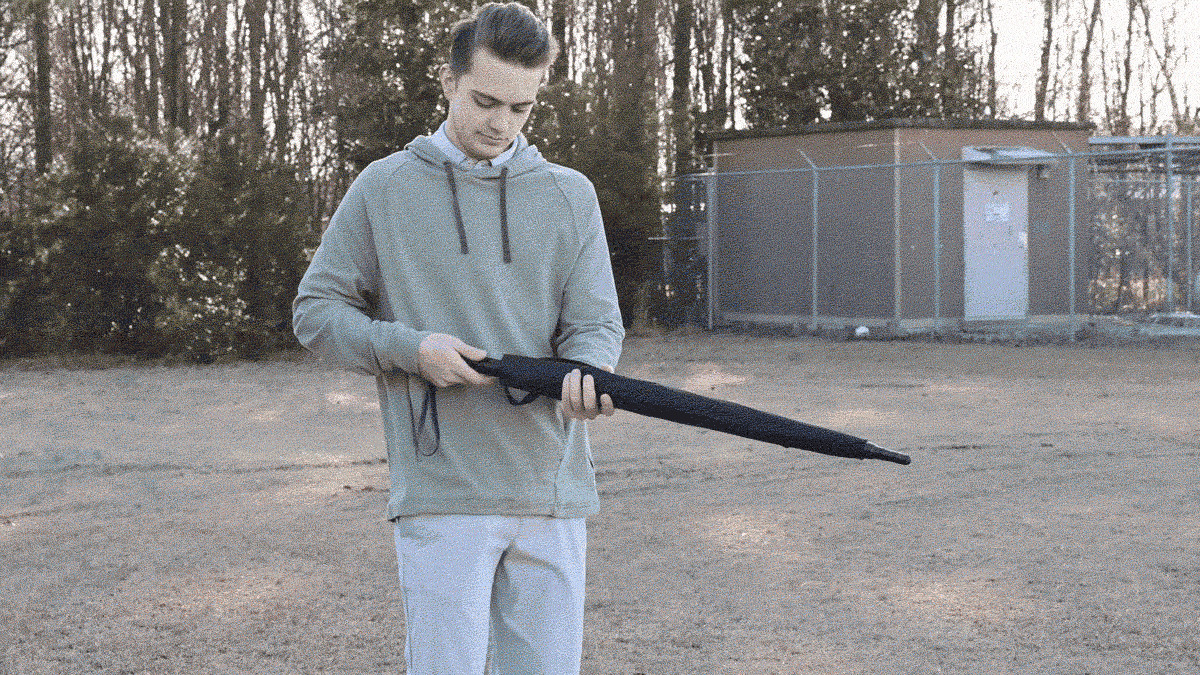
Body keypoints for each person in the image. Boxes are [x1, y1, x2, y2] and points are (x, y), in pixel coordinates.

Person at [291, 3, 624, 674]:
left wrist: (589, 372)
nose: (500, 122)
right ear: (447, 81)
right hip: (444, 490)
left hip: (551, 490)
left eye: (521, 108)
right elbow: (316, 313)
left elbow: (595, 323)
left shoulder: (570, 196)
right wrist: (412, 349)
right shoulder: (383, 188)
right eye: (485, 99)